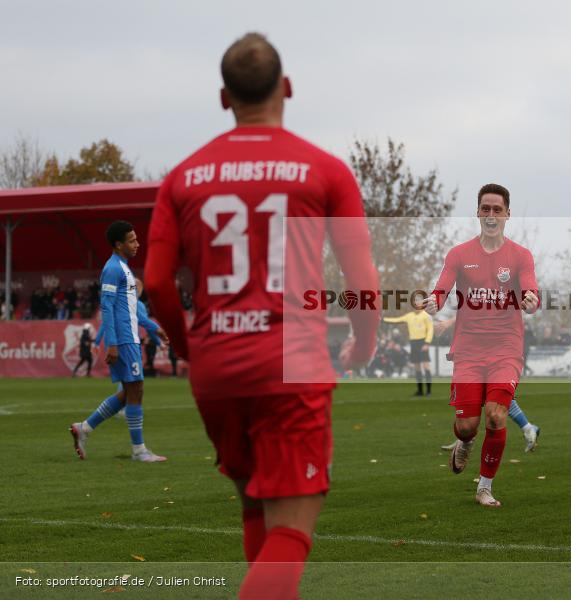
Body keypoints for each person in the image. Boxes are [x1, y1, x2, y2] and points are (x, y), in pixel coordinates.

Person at [143, 33, 379, 600]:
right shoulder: (325, 170)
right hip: (290, 366)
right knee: (292, 533)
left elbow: (154, 282)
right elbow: (362, 281)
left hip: (218, 368)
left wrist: (188, 346)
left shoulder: (183, 176)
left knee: (257, 506)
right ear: (288, 88)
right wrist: (363, 345)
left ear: (225, 98)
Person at [424, 183, 539, 508]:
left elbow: (531, 291)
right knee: (467, 425)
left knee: (496, 416)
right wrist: (433, 301)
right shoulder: (459, 254)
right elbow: (442, 287)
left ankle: (484, 487)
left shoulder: (520, 255)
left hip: (506, 347)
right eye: (485, 209)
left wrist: (531, 299)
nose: (491, 215)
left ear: (507, 214)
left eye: (497, 210)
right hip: (469, 350)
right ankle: (465, 442)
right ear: (477, 212)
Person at [70, 225, 169, 462]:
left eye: (136, 239)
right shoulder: (112, 269)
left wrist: (155, 328)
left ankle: (84, 428)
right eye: (132, 241)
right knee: (136, 390)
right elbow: (107, 307)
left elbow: (135, 310)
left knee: (130, 391)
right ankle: (139, 450)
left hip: (131, 337)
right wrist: (112, 343)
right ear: (118, 244)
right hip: (123, 339)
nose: (137, 244)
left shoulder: (125, 269)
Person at [433, 316, 541, 452]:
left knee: (492, 398)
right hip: (481, 349)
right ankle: (528, 428)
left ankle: (466, 439)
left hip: (497, 351)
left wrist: (448, 323)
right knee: (491, 398)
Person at [383, 307, 433, 396]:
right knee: (417, 367)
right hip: (413, 343)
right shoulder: (409, 316)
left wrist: (427, 343)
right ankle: (420, 391)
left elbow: (430, 330)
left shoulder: (426, 316)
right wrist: (384, 319)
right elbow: (396, 320)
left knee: (426, 367)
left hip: (423, 342)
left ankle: (428, 391)